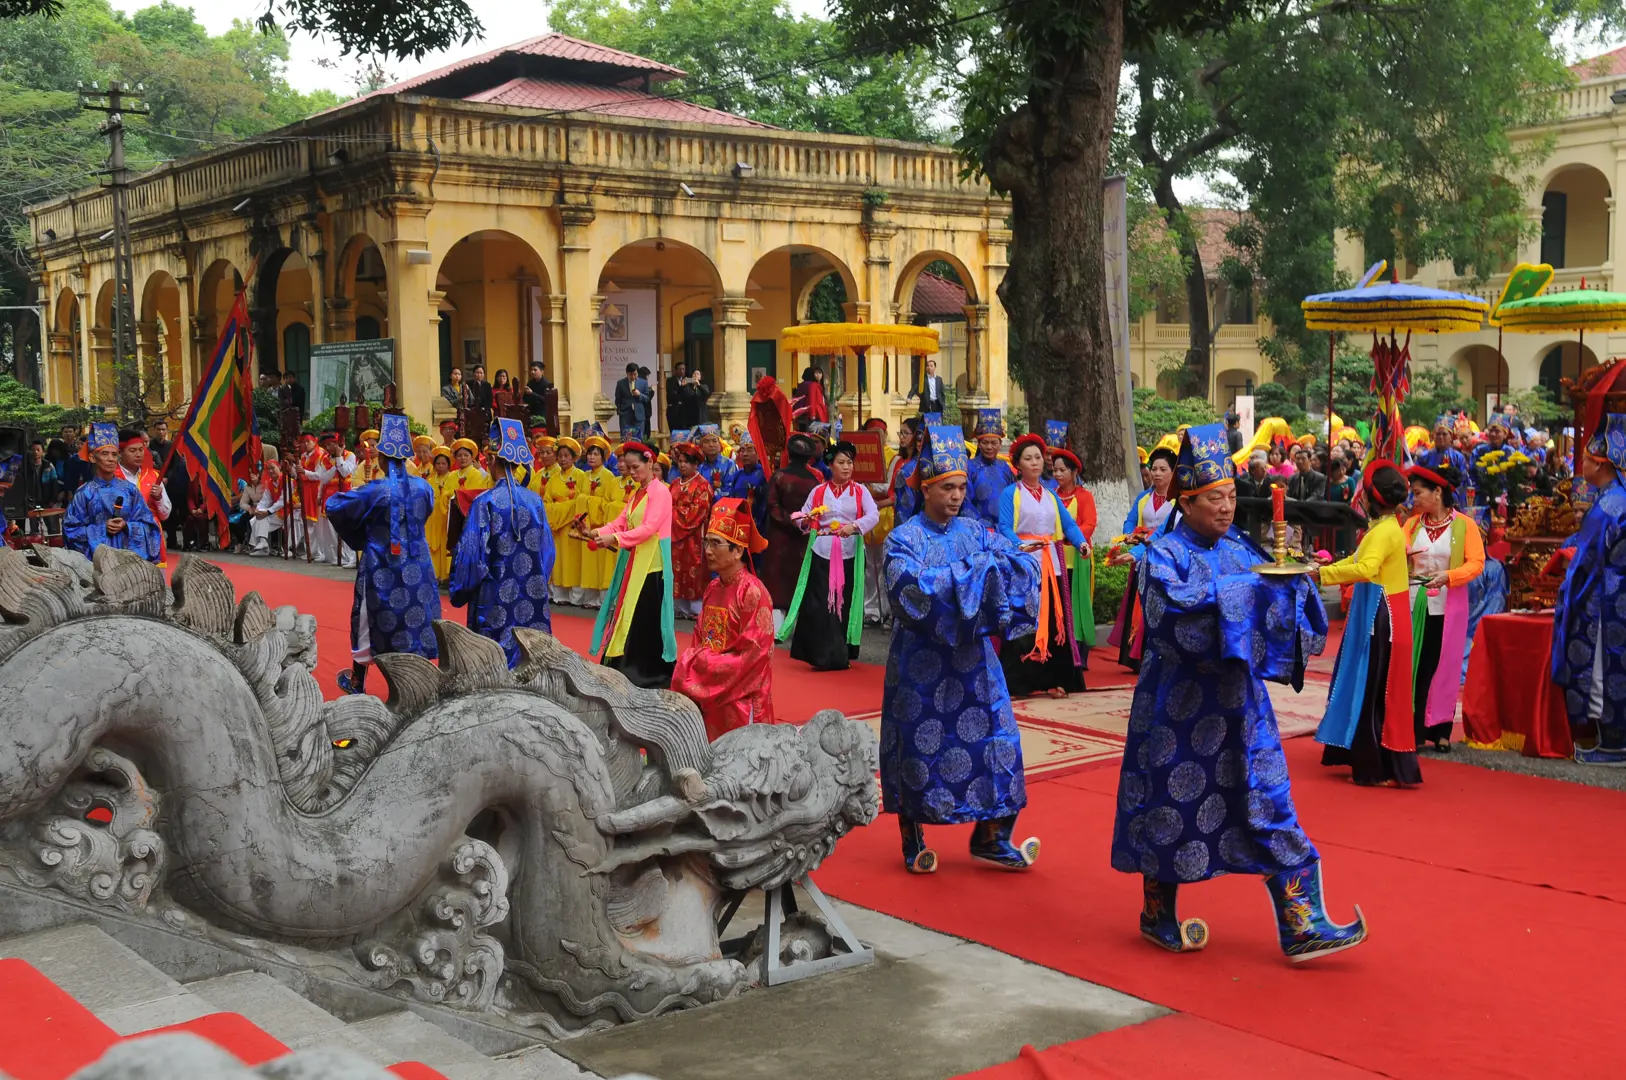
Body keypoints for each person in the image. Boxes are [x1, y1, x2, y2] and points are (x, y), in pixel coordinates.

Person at [1111, 423, 1366, 962]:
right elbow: (1174, 621)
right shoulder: (1163, 555)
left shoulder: (1240, 545)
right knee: (1171, 805)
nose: (1227, 508)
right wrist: (1253, 588)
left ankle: (1303, 922)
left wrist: (1292, 581)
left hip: (1241, 704)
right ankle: (1158, 912)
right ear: (1187, 501)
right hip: (1177, 705)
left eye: (1230, 496)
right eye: (1214, 499)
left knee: (1269, 798)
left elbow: (1274, 606)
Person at [881, 422, 1042, 873]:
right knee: (917, 747)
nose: (956, 496)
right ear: (926, 488)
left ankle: (991, 835)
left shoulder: (975, 531)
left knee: (1000, 741)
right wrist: (974, 576)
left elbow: (1014, 560)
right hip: (921, 663)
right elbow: (909, 592)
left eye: (961, 487)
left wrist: (1005, 565)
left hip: (975, 662)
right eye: (947, 487)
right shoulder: (904, 539)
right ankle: (913, 837)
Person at [1313, 460, 1423, 787]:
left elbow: (1366, 568)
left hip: (1380, 613)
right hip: (1387, 610)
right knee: (1377, 689)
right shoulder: (1389, 528)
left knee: (1372, 687)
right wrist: (1324, 568)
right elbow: (1360, 562)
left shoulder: (1383, 531)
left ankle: (1375, 767)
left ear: (1369, 498)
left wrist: (1321, 574)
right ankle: (1379, 763)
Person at [327, 413, 442, 696]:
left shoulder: (374, 490)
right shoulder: (424, 488)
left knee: (367, 619)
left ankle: (357, 681)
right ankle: (422, 682)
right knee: (418, 615)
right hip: (417, 563)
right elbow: (424, 513)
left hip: (382, 565)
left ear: (380, 459)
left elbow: (335, 506)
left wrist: (363, 533)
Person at [1548, 413, 1626, 765]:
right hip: (1616, 594)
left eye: (1584, 459)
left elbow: (1587, 561)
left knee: (1602, 672)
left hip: (1605, 601)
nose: (1580, 465)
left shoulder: (1608, 506)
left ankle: (1613, 746)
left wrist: (1568, 581)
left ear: (1600, 463)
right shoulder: (1616, 498)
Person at [450, 419, 555, 667]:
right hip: (532, 593)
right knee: (530, 656)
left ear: (490, 460)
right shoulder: (535, 500)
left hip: (494, 595)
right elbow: (548, 552)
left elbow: (472, 558)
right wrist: (537, 578)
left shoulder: (484, 502)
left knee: (494, 659)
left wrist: (459, 589)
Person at [670, 497, 775, 740]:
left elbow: (754, 658)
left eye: (716, 544)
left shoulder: (752, 592)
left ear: (738, 550)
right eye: (706, 542)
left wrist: (703, 666)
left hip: (740, 699)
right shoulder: (713, 588)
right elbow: (699, 639)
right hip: (711, 692)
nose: (707, 550)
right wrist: (700, 664)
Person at [996, 433, 1089, 698]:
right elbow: (1004, 526)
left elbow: (1068, 524)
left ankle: (1058, 680)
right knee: (1025, 621)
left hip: (1052, 565)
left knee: (1055, 623)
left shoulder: (1050, 494)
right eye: (1028, 458)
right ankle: (1019, 682)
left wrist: (1081, 543)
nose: (1035, 462)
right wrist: (1020, 546)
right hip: (1025, 565)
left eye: (1038, 457)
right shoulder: (1010, 494)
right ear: (1018, 464)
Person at [1402, 464, 1485, 752]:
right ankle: (1413, 727)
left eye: (1418, 493)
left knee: (1445, 665)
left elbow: (1476, 562)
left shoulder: (1464, 525)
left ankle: (1441, 728)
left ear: (1437, 493)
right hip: (1415, 604)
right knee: (1416, 665)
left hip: (1449, 604)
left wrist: (1449, 576)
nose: (1414, 499)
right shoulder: (1412, 525)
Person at [778, 439, 879, 672]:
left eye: (850, 463)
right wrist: (803, 520)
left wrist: (854, 526)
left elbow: (873, 515)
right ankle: (820, 654)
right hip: (822, 551)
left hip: (849, 553)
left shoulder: (860, 491)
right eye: (841, 462)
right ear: (830, 466)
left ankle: (840, 653)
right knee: (821, 604)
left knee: (843, 603)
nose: (846, 467)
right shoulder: (819, 491)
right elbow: (804, 515)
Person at [585, 441, 677, 688]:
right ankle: (624, 667)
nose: (632, 473)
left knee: (644, 617)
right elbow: (621, 521)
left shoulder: (660, 492)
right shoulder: (638, 492)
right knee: (629, 612)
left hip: (652, 565)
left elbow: (648, 529)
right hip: (636, 561)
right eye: (628, 467)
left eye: (636, 467)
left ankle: (646, 673)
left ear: (651, 462)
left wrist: (613, 539)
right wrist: (596, 532)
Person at [1109, 446, 1179, 671]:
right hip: (1142, 554)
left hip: (1166, 557)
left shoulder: (1179, 502)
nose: (1157, 473)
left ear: (1173, 472)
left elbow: (1165, 533)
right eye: (1154, 469)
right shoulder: (1143, 497)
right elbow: (1130, 521)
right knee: (1139, 601)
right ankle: (1136, 655)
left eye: (1162, 469)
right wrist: (1130, 534)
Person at [64, 423, 162, 562]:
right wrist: (102, 528)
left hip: (128, 564)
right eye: (105, 454)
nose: (111, 459)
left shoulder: (130, 490)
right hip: (97, 564)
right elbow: (71, 531)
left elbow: (150, 527)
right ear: (92, 458)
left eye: (114, 454)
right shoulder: (84, 493)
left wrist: (127, 526)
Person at [761, 431, 823, 629]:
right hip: (802, 536)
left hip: (779, 535)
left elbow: (771, 504)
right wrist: (801, 523)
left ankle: (776, 625)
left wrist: (788, 520)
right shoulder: (814, 482)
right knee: (797, 577)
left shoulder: (779, 476)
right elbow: (815, 510)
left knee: (776, 577)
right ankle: (796, 624)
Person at [1050, 446, 1098, 662]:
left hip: (1079, 556)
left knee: (1078, 604)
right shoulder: (1050, 496)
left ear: (1074, 472)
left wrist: (1070, 539)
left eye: (1062, 470)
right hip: (1056, 558)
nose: (1058, 474)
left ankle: (1080, 653)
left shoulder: (1084, 496)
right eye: (1055, 470)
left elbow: (1089, 524)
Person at [666, 440, 713, 618]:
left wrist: (672, 514)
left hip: (693, 536)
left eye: (687, 462)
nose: (683, 465)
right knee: (675, 569)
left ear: (696, 464)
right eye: (681, 461)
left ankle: (695, 608)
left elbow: (697, 513)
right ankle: (678, 606)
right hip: (673, 534)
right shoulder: (675, 483)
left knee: (694, 568)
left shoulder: (703, 485)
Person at [579, 436, 624, 609]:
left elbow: (606, 504)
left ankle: (608, 598)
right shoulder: (584, 476)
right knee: (590, 564)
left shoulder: (608, 477)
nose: (592, 457)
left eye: (596, 454)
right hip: (588, 524)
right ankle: (591, 596)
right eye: (590, 454)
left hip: (604, 525)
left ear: (603, 457)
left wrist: (591, 502)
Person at [544, 437, 588, 605]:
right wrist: (556, 512)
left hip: (572, 524)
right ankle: (559, 594)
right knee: (558, 559)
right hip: (556, 525)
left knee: (573, 560)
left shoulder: (581, 476)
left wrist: (565, 510)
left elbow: (581, 500)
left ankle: (575, 596)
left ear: (574, 458)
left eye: (566, 456)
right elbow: (547, 502)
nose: (562, 459)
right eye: (560, 456)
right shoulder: (553, 478)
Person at [966, 410, 1015, 526]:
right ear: (978, 443)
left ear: (1000, 444)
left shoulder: (1005, 468)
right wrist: (981, 524)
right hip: (979, 528)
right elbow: (965, 501)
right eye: (985, 442)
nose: (989, 447)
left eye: (994, 443)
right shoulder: (969, 467)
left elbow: (1014, 497)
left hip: (1005, 527)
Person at [296, 433, 337, 563]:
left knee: (318, 524)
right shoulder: (303, 456)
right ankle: (312, 550)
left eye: (308, 441)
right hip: (306, 490)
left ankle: (321, 551)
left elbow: (319, 475)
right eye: (304, 442)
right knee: (308, 523)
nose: (306, 444)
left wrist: (305, 472)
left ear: (315, 441)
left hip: (316, 489)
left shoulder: (320, 454)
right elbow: (297, 474)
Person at [425, 446, 458, 582]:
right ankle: (434, 574)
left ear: (449, 465)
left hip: (445, 517)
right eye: (438, 463)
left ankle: (445, 575)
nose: (440, 466)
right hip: (432, 517)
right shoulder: (430, 480)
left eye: (444, 463)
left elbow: (454, 492)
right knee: (432, 545)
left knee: (444, 545)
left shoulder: (452, 477)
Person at [722, 434, 767, 529]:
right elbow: (732, 498)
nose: (745, 454)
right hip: (738, 524)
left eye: (750, 450)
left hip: (758, 526)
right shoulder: (738, 474)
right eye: (742, 450)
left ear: (758, 453)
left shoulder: (765, 474)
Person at [247, 460, 287, 555]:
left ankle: (263, 546)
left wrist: (268, 512)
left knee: (261, 518)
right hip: (275, 511)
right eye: (268, 469)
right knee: (256, 518)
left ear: (279, 467)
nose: (270, 471)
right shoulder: (269, 483)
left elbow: (283, 500)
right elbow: (266, 500)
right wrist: (258, 509)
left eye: (272, 468)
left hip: (287, 511)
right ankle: (263, 544)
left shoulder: (286, 480)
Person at [693, 425, 737, 499]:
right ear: (701, 446)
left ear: (720, 444)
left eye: (714, 441)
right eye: (706, 441)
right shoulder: (699, 466)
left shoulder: (729, 464)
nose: (711, 445)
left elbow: (730, 491)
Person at [614, 362, 650, 441]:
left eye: (635, 374)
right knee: (625, 439)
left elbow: (647, 398)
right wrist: (620, 411)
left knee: (638, 439)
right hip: (625, 414)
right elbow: (618, 399)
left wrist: (639, 395)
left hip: (639, 415)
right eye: (631, 375)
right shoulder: (621, 383)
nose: (633, 377)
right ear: (627, 373)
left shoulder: (643, 382)